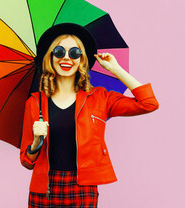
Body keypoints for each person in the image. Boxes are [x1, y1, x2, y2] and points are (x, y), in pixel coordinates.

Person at [19, 23, 159, 207]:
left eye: (75, 53)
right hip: (44, 187)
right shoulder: (34, 103)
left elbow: (148, 104)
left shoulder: (100, 98)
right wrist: (36, 143)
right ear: (50, 57)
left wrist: (115, 69)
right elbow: (27, 161)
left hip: (83, 187)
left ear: (82, 60)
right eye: (59, 51)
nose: (66, 58)